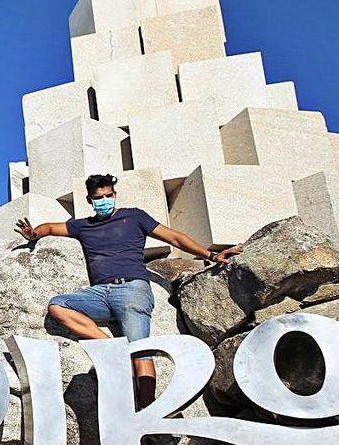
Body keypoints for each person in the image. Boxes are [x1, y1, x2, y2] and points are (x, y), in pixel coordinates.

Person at [15, 173, 240, 408]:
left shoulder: (134, 216)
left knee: (141, 352)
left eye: (108, 196)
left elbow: (174, 237)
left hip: (133, 289)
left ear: (114, 195)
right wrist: (34, 234)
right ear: (90, 200)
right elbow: (51, 227)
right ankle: (113, 349)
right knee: (57, 306)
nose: (104, 200)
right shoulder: (83, 226)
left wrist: (211, 255)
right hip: (100, 294)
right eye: (98, 198)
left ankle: (146, 410)